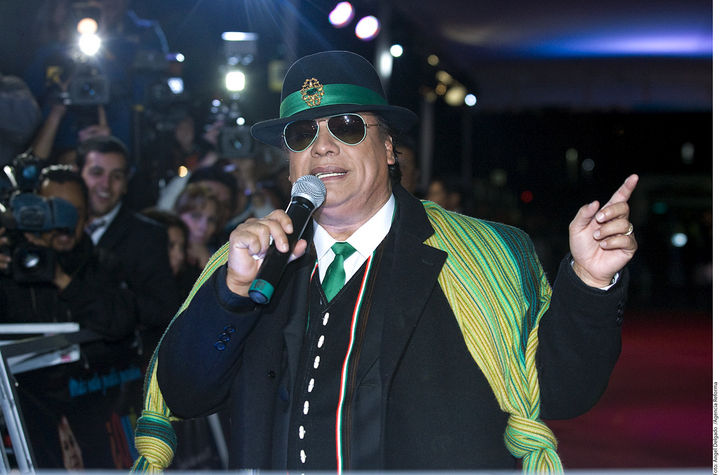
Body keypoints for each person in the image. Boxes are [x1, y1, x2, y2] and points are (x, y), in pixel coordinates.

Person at [133, 51, 638, 472]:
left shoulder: (484, 255)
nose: (323, 146)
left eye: (347, 126)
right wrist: (232, 295)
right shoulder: (254, 261)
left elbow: (564, 394)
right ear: (290, 163)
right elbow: (185, 395)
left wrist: (590, 282)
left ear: (390, 148)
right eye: (302, 134)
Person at [0, 165, 135, 339]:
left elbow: (121, 323)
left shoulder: (104, 265)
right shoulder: (9, 263)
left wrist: (62, 280)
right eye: (55, 212)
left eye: (73, 214)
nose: (64, 225)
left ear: (87, 215)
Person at [77, 135, 178, 350]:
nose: (105, 185)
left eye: (116, 176)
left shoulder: (148, 235)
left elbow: (162, 308)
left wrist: (114, 301)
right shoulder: (56, 228)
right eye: (96, 173)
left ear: (125, 184)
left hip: (114, 358)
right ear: (79, 175)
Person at [172, 183, 220, 272]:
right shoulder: (161, 250)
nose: (203, 227)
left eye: (211, 220)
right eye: (195, 216)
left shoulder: (220, 257)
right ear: (178, 214)